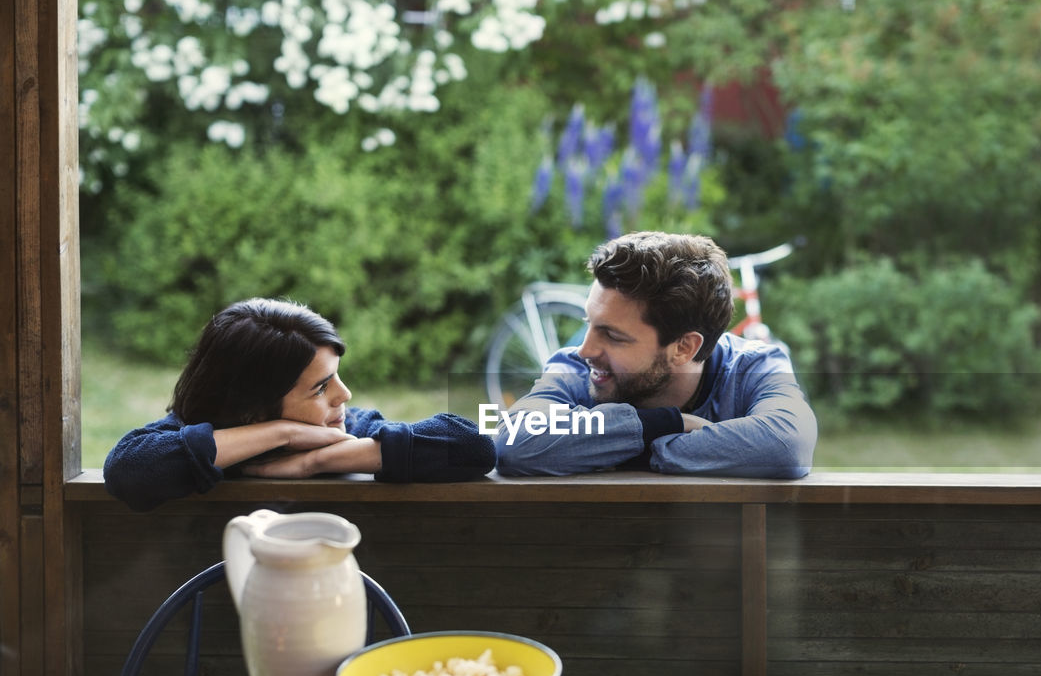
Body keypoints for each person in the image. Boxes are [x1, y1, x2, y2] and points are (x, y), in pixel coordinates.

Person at [105, 298, 496, 511]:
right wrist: (282, 432)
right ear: (252, 408)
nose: (344, 396)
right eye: (321, 387)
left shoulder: (341, 432)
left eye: (337, 376)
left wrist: (317, 461)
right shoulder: (188, 437)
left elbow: (474, 446)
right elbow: (129, 470)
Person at [495, 231, 817, 478]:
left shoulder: (755, 367)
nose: (585, 349)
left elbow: (789, 444)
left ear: (683, 347)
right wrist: (668, 424)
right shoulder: (575, 368)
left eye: (612, 335)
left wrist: (637, 450)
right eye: (589, 323)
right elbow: (513, 442)